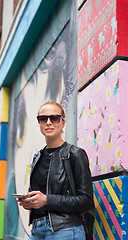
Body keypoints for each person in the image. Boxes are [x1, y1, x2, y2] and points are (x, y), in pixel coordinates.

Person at [17, 100, 94, 240]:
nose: (48, 122)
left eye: (54, 118)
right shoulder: (37, 157)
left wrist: (46, 200)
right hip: (37, 230)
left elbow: (86, 201)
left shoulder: (74, 154)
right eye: (43, 118)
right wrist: (30, 202)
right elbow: (40, 199)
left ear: (63, 123)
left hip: (65, 230)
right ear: (39, 123)